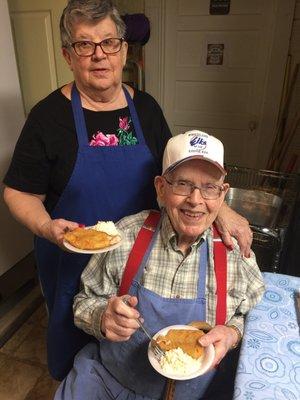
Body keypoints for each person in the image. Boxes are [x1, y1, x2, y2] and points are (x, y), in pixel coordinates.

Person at [2, 0, 252, 381]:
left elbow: (178, 176)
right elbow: (18, 193)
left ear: (124, 49)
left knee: (135, 345)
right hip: (72, 260)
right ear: (69, 55)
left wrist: (226, 212)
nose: (99, 55)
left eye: (109, 42)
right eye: (85, 45)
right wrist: (46, 228)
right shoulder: (47, 118)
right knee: (78, 355)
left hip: (138, 261)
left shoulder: (146, 109)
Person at [55, 130, 265, 400]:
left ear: (222, 194)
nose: (195, 200)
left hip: (196, 393)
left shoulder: (235, 252)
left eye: (209, 187)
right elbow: (84, 301)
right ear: (161, 188)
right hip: (111, 381)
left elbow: (253, 316)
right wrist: (102, 318)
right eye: (183, 184)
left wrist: (232, 333)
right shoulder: (126, 236)